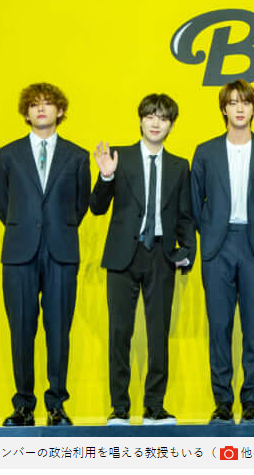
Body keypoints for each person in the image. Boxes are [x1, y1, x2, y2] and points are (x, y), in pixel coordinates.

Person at [90, 93, 196, 426]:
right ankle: (119, 408)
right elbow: (96, 207)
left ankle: (154, 406)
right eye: (150, 116)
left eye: (163, 118)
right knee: (119, 332)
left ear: (171, 125)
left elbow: (185, 214)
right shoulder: (119, 157)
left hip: (161, 255)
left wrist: (186, 251)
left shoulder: (179, 166)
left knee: (158, 333)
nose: (155, 123)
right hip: (123, 254)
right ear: (140, 120)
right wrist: (106, 177)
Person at [191, 79, 254, 425]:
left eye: (245, 102)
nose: (239, 108)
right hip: (218, 247)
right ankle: (222, 402)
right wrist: (209, 235)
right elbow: (194, 202)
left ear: (253, 108)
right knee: (219, 327)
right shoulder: (205, 151)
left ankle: (250, 401)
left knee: (253, 329)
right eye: (232, 102)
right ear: (224, 109)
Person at [0, 82, 90, 426]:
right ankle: (23, 405)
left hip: (61, 251)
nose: (41, 109)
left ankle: (57, 405)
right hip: (19, 253)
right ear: (26, 112)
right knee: (21, 329)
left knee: (59, 329)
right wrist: (27, 227)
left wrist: (55, 229)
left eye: (48, 103)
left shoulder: (77, 156)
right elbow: (1, 204)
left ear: (60, 110)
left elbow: (80, 205)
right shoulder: (7, 155)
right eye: (34, 104)